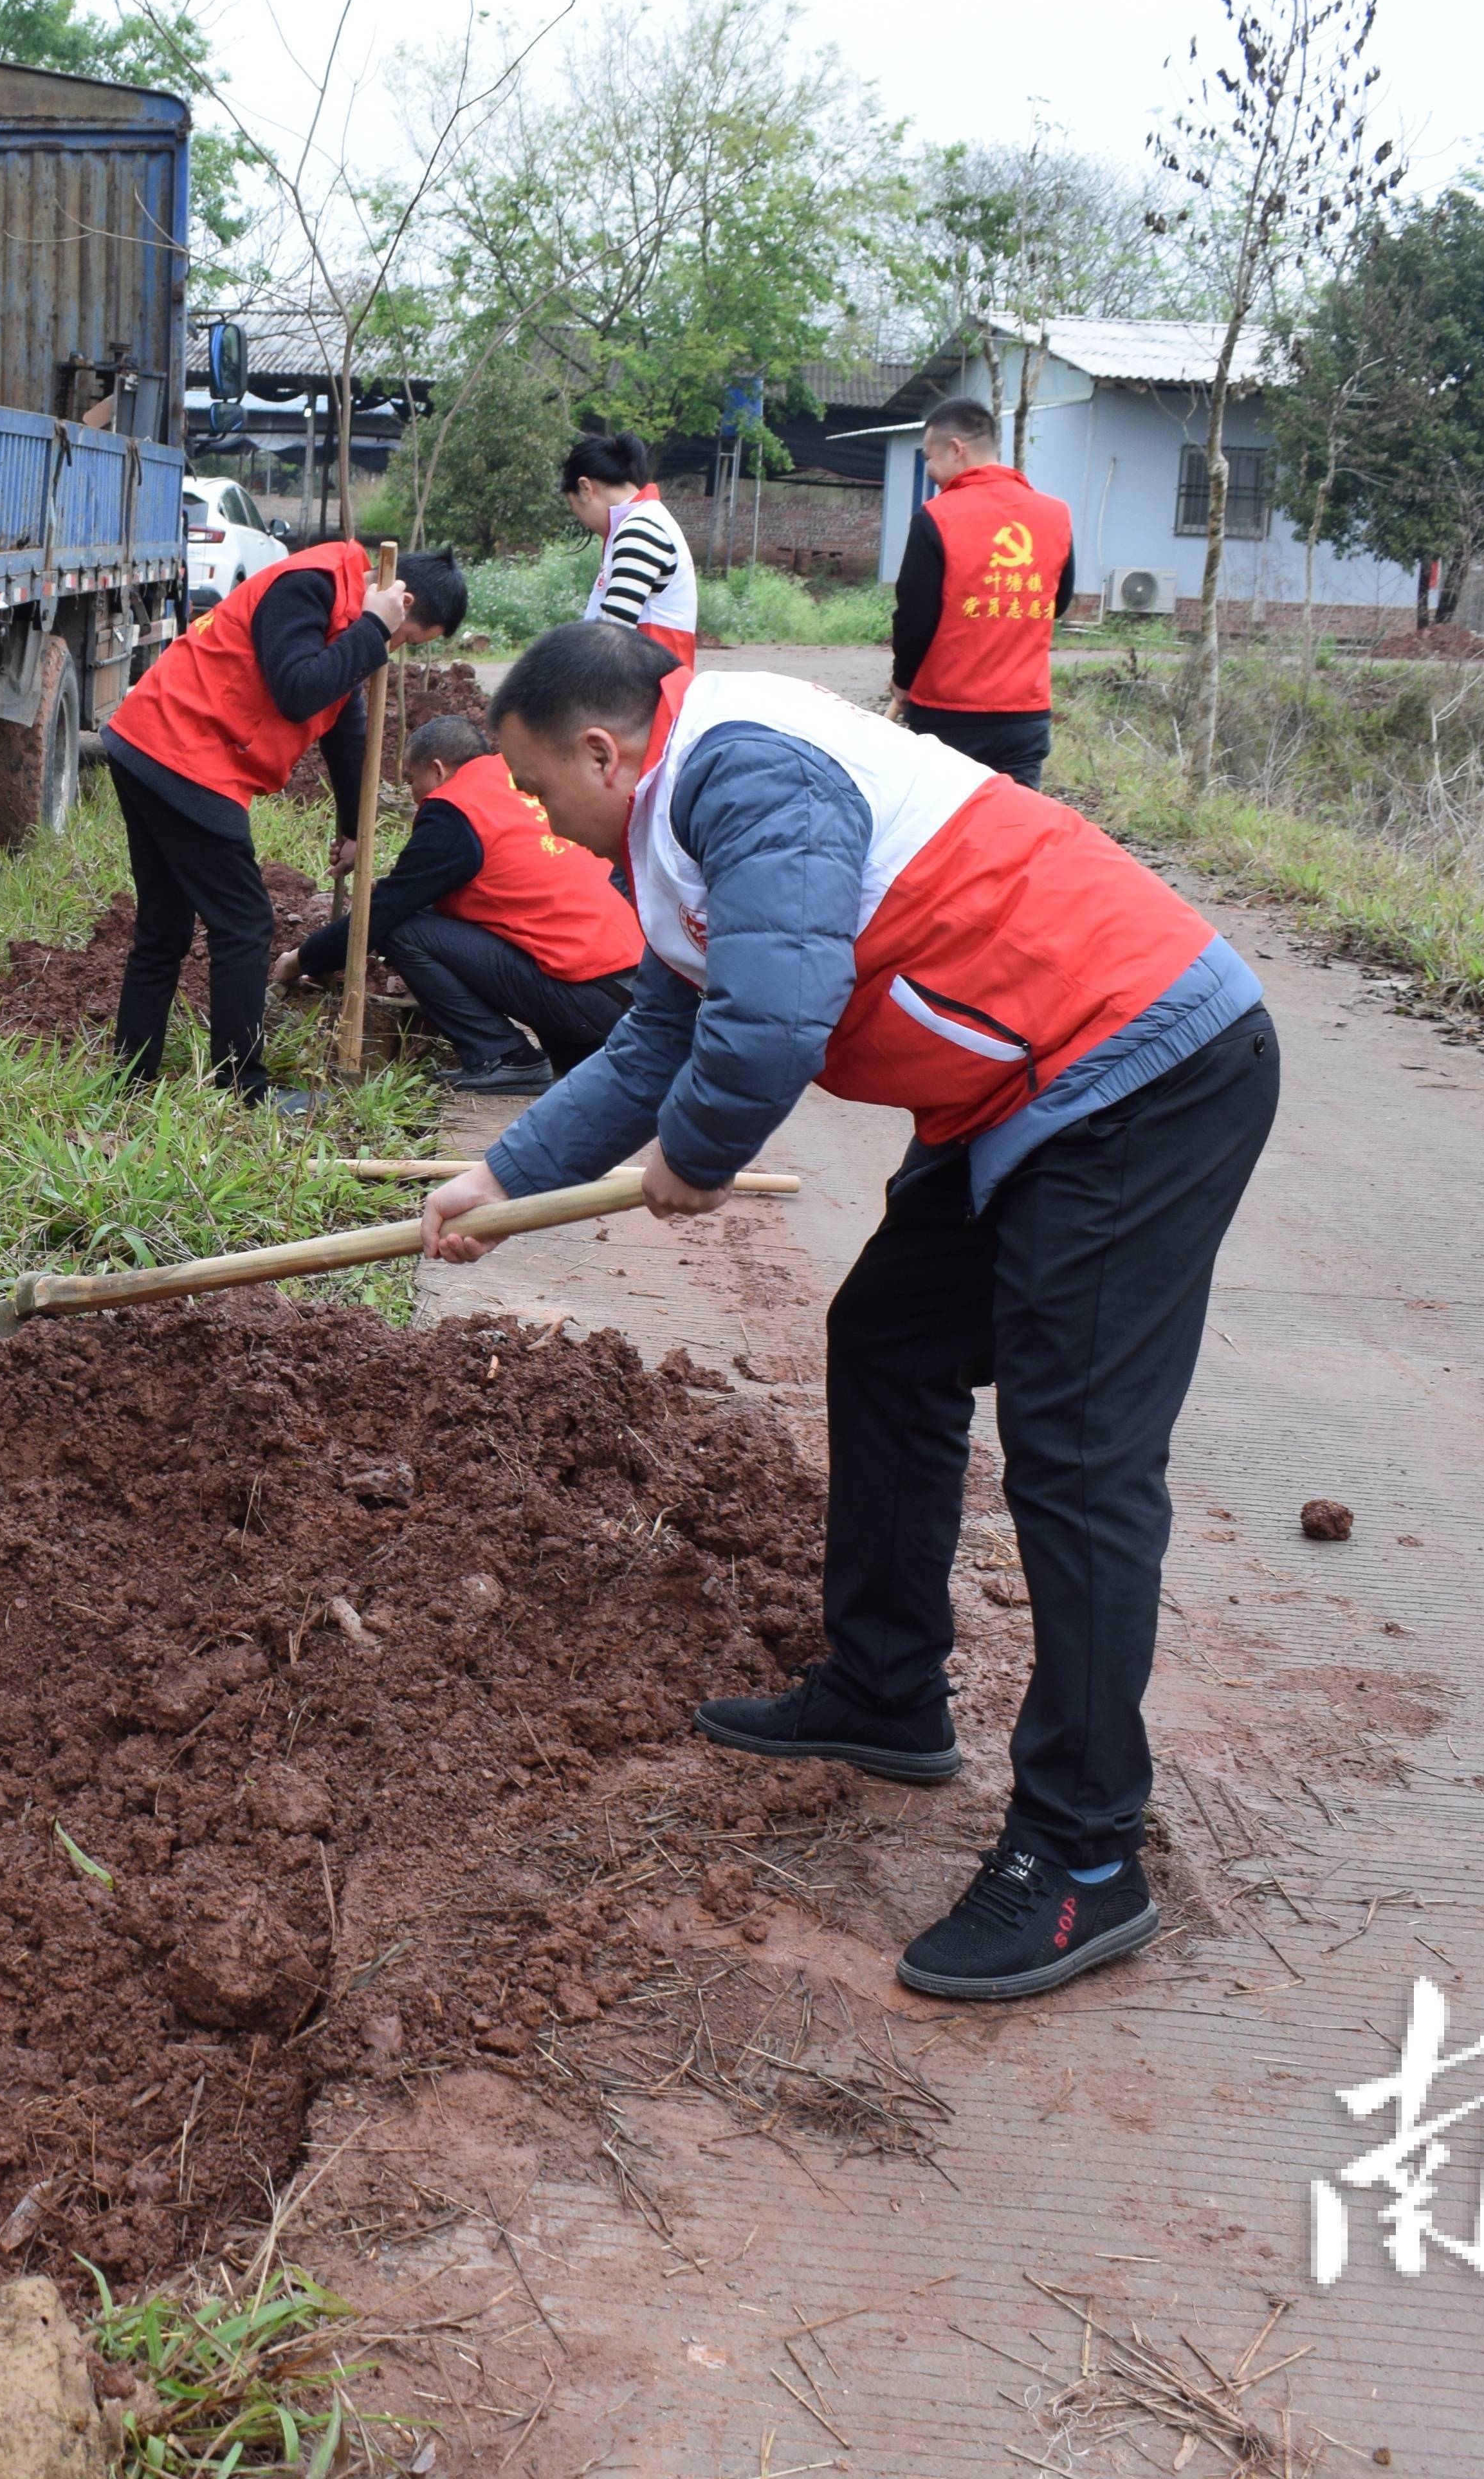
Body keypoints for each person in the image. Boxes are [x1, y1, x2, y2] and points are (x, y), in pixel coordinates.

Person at [421, 624, 1278, 2003]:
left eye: (533, 792)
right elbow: (666, 1033)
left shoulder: (740, 772)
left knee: (1077, 1453)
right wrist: (499, 1175)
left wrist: (694, 1157)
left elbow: (774, 1022)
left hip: (1139, 1066)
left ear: (601, 749)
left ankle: (1086, 1850)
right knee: (890, 1341)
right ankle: (887, 1688)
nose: (536, 822)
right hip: (1030, 1087)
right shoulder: (681, 808)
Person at [98, 539, 466, 1100]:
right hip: (182, 752)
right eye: (408, 637)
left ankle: (131, 1077)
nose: (396, 647)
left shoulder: (345, 611)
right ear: (404, 603)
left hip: (152, 745)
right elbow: (297, 692)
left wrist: (352, 828)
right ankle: (243, 1089)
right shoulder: (310, 586)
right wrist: (373, 629)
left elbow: (345, 726)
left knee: (164, 926)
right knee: (244, 924)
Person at [273, 713, 644, 1095]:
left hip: (587, 997)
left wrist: (301, 960)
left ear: (437, 770)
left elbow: (383, 912)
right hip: (635, 989)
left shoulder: (456, 810)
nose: (413, 793)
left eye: (410, 779)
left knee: (403, 929)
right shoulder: (516, 779)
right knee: (435, 915)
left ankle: (504, 1058)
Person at [889, 398, 1074, 789]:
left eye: (929, 457)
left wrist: (902, 680)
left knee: (942, 831)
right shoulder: (1056, 515)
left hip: (947, 717)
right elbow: (1057, 604)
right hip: (1024, 718)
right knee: (1014, 828)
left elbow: (915, 619)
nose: (930, 470)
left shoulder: (935, 518)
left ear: (956, 449)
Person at [562, 432, 701, 674]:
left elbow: (612, 635)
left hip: (644, 692)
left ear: (585, 488)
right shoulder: (647, 520)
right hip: (650, 684)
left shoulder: (639, 530)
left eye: (574, 506)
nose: (583, 521)